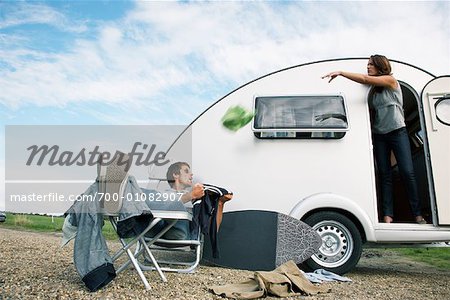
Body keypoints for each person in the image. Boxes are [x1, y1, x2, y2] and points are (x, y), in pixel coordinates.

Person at [322, 54, 426, 224]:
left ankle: (418, 214)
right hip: (380, 136)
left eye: (371, 64)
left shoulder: (391, 81)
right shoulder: (373, 93)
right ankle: (388, 216)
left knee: (407, 172)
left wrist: (341, 72)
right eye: (367, 64)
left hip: (398, 132)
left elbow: (364, 78)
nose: (368, 67)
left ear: (380, 66)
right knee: (384, 175)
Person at [147, 161, 233, 239]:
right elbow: (168, 204)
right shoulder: (163, 195)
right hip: (161, 228)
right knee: (161, 202)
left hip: (186, 234)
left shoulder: (195, 200)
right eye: (186, 171)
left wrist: (220, 203)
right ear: (175, 175)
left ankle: (177, 230)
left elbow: (212, 231)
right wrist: (192, 195)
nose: (191, 174)